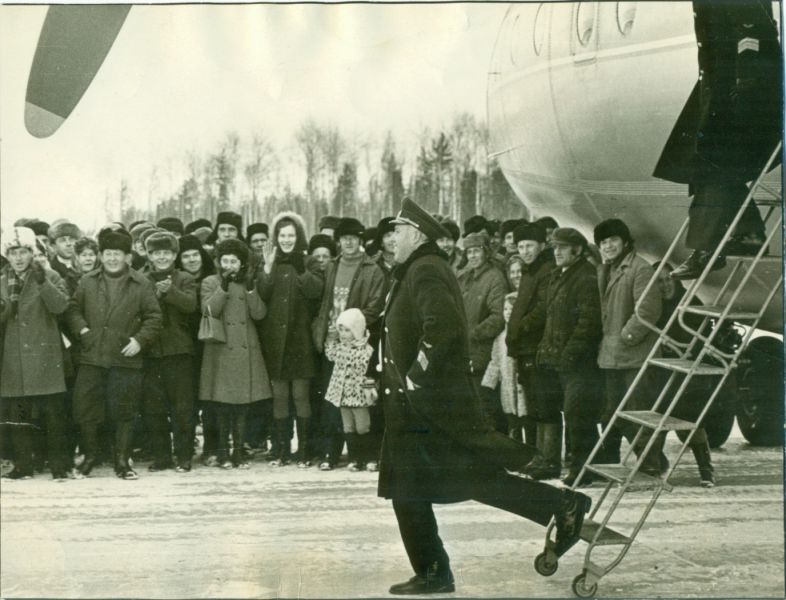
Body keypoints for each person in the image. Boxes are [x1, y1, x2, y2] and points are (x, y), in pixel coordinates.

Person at [380, 198, 591, 596]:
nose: (393, 239)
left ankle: (559, 504)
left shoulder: (425, 268)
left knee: (457, 480)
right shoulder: (416, 268)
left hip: (429, 403)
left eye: (399, 231)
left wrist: (416, 376)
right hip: (417, 404)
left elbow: (443, 327)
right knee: (415, 487)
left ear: (417, 235)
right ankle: (434, 570)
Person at [653, 0, 782, 279]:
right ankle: (748, 233)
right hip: (721, 88)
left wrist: (746, 86)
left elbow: (753, 33)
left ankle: (707, 248)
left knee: (709, 166)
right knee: (703, 159)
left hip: (741, 95)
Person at [66, 229, 162, 480]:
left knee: (124, 410)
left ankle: (122, 461)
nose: (112, 259)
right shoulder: (88, 281)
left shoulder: (141, 283)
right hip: (92, 356)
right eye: (107, 254)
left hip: (124, 358)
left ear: (128, 257)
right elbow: (73, 310)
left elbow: (154, 317)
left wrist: (139, 341)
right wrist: (83, 331)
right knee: (86, 408)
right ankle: (90, 458)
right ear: (101, 255)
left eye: (117, 254)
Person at [312, 217, 385, 470]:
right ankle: (331, 453)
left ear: (360, 240)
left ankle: (366, 455)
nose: (349, 243)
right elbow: (324, 302)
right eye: (344, 238)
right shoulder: (332, 266)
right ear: (339, 241)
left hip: (358, 345)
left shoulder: (372, 269)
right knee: (333, 399)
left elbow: (375, 306)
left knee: (362, 401)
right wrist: (324, 332)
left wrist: (353, 329)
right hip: (333, 342)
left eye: (354, 238)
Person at [594, 219, 665, 476]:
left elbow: (647, 310)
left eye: (613, 240)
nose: (608, 246)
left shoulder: (640, 269)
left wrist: (626, 337)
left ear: (625, 242)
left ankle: (651, 464)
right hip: (611, 356)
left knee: (640, 412)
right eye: (603, 242)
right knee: (614, 413)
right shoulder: (606, 270)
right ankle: (649, 459)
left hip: (635, 355)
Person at [1, 227, 71, 480]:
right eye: (13, 252)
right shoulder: (2, 281)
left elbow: (61, 306)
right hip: (14, 359)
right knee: (18, 415)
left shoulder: (49, 276)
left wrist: (43, 283)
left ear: (32, 253)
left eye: (23, 252)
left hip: (44, 356)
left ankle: (59, 466)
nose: (18, 258)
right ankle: (23, 466)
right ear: (7, 255)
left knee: (53, 415)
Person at [536, 228, 603, 487]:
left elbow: (588, 323)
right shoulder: (559, 275)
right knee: (573, 414)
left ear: (578, 250)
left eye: (562, 247)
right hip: (560, 360)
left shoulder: (585, 277)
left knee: (578, 415)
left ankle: (582, 468)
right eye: (555, 247)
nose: (557, 252)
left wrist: (569, 355)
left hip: (579, 362)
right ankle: (588, 465)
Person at [258, 212, 324, 467]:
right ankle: (283, 449)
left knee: (300, 395)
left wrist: (301, 270)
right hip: (275, 341)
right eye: (282, 235)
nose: (287, 240)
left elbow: (316, 291)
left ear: (299, 237)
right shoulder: (270, 260)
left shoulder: (309, 262)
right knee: (280, 396)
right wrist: (266, 268)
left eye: (291, 235)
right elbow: (262, 294)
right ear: (276, 237)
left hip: (300, 340)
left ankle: (304, 450)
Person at [199, 238, 272, 469]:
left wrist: (250, 289)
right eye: (225, 261)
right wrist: (223, 287)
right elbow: (208, 310)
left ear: (242, 264)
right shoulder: (210, 282)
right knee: (222, 405)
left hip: (244, 349)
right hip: (220, 350)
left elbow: (259, 314)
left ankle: (238, 451)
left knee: (242, 405)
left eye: (234, 261)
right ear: (219, 262)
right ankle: (223, 453)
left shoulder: (248, 282)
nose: (229, 266)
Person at [654, 264, 716, 487]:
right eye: (659, 281)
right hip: (664, 370)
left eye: (668, 279)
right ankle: (657, 465)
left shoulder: (691, 301)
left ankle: (706, 471)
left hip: (689, 370)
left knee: (692, 422)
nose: (665, 285)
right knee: (658, 419)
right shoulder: (654, 305)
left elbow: (704, 335)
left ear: (676, 280)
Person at [141, 231, 198, 473]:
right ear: (149, 256)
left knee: (182, 408)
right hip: (151, 353)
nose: (162, 257)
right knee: (154, 408)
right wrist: (156, 294)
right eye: (157, 253)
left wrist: (170, 292)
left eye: (166, 253)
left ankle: (184, 455)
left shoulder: (184, 278)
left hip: (179, 352)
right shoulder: (141, 279)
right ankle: (162, 457)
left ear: (175, 255)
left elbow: (190, 305)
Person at [506, 223, 555, 464]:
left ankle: (548, 457)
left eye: (529, 246)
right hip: (524, 348)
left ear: (542, 245)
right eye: (521, 246)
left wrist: (519, 327)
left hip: (536, 346)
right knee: (533, 404)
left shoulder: (545, 270)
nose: (525, 251)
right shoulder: (529, 271)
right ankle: (537, 456)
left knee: (544, 403)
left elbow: (542, 308)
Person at [457, 231, 507, 432]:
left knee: (487, 406)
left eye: (477, 251)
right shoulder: (464, 277)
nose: (473, 256)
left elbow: (498, 316)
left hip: (483, 353)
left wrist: (473, 333)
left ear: (486, 252)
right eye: (469, 252)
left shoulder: (494, 278)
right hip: (464, 353)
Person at [175, 234, 219, 465]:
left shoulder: (211, 278)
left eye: (195, 255)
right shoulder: (177, 281)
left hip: (209, 345)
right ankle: (187, 445)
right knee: (188, 399)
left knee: (211, 398)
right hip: (186, 347)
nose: (192, 260)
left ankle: (212, 447)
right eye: (186, 256)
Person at [324, 308, 376, 471]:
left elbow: (370, 373)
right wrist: (331, 335)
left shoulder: (366, 350)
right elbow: (329, 353)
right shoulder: (340, 348)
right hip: (342, 395)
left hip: (359, 396)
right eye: (341, 330)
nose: (344, 334)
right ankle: (355, 459)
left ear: (357, 330)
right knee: (348, 427)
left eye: (347, 330)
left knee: (363, 427)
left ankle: (369, 457)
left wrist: (370, 392)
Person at [482, 293, 528, 441]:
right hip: (507, 388)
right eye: (505, 309)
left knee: (526, 419)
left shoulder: (524, 334)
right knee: (512, 422)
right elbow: (495, 361)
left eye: (512, 309)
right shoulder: (500, 338)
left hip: (522, 386)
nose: (508, 312)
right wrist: (488, 384)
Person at [47, 220, 82, 296]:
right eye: (62, 240)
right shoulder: (51, 269)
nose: (68, 244)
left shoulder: (87, 264)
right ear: (53, 246)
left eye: (72, 239)